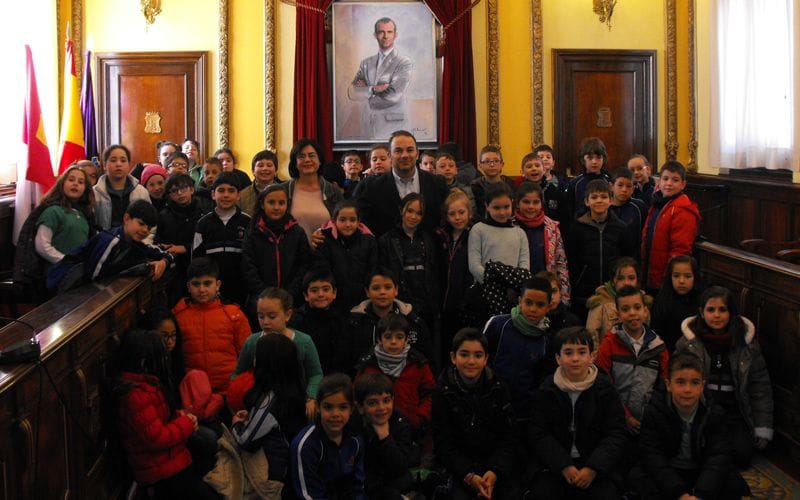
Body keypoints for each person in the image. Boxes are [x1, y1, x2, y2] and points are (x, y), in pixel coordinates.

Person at [527, 327, 630, 499]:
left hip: (597, 466)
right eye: (568, 353)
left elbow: (616, 433)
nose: (575, 358)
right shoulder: (546, 390)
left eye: (582, 352)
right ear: (558, 358)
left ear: (592, 356)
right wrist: (563, 465)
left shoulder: (605, 389)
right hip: (555, 466)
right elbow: (538, 433)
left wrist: (593, 468)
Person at [632, 351, 751, 499]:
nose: (687, 390)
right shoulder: (654, 411)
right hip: (670, 469)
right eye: (680, 382)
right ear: (668, 384)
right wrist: (679, 493)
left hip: (700, 470)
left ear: (702, 386)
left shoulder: (715, 413)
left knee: (732, 483)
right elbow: (653, 456)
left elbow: (718, 456)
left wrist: (701, 494)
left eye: (694, 383)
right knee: (639, 478)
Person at [115, 330, 218, 500]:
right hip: (158, 470)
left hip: (167, 459)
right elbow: (156, 438)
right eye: (161, 357)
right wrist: (186, 423)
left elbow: (159, 418)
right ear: (145, 361)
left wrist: (181, 415)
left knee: (211, 461)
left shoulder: (146, 385)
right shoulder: (135, 396)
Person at [676, 286, 773, 466]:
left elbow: (760, 387)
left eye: (722, 309)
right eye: (711, 310)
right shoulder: (688, 343)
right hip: (703, 410)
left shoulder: (747, 345)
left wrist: (762, 427)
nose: (717, 315)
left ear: (731, 312)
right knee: (699, 451)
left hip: (734, 412)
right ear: (701, 312)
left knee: (742, 455)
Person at [432, 328, 521, 500]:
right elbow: (443, 444)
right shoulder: (441, 393)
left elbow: (509, 437)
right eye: (464, 355)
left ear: (486, 359)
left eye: (478, 355)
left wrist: (495, 470)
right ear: (453, 357)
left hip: (493, 465)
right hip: (459, 468)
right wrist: (468, 474)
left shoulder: (499, 388)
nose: (471, 361)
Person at [232, 287, 323, 421]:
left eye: (272, 316)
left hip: (296, 405)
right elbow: (237, 375)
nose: (266, 322)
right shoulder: (252, 342)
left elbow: (315, 374)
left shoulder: (304, 341)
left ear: (287, 315)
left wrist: (311, 397)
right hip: (260, 409)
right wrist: (242, 399)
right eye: (261, 316)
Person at [227, 333, 307, 483]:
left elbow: (246, 441)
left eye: (257, 357)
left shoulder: (269, 402)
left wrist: (236, 422)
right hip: (291, 465)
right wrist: (253, 414)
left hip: (274, 475)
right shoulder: (295, 389)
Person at [46, 200, 171, 294]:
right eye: (141, 224)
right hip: (66, 284)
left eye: (149, 228)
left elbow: (163, 253)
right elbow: (93, 277)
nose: (145, 230)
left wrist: (164, 262)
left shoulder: (133, 241)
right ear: (126, 218)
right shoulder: (111, 240)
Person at [13, 166, 95, 301]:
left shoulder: (84, 214)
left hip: (78, 270)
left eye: (81, 182)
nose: (75, 184)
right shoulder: (53, 211)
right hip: (58, 272)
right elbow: (42, 245)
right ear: (62, 184)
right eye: (71, 180)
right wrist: (65, 261)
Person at [595, 285, 669, 435]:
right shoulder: (609, 344)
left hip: (649, 421)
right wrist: (625, 416)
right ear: (618, 314)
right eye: (626, 309)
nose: (632, 313)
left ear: (645, 310)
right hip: (615, 420)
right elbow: (603, 383)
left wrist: (651, 415)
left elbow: (664, 384)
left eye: (637, 307)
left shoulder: (658, 347)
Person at [172, 257, 251, 394]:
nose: (202, 289)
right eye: (196, 284)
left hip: (229, 389)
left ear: (218, 284)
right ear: (188, 287)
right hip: (193, 391)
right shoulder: (178, 316)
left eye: (207, 283)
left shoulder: (234, 315)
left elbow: (247, 356)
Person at [484, 277, 555, 421]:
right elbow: (481, 358)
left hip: (524, 413)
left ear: (548, 307)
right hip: (490, 406)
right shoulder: (498, 324)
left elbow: (540, 379)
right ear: (519, 301)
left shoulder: (546, 341)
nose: (533, 309)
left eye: (540, 305)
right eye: (528, 302)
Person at [354, 130, 448, 237]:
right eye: (398, 151)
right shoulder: (372, 188)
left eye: (410, 150)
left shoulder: (437, 184)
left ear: (417, 154)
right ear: (389, 155)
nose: (405, 155)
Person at [291, 373, 366, 500]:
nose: (335, 414)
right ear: (318, 407)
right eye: (328, 407)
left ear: (352, 409)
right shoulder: (305, 445)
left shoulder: (355, 440)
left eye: (343, 407)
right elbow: (308, 495)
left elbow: (357, 486)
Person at [355, 313, 435, 431]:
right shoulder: (368, 365)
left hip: (411, 429)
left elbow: (430, 394)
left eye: (399, 337)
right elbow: (357, 396)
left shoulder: (418, 364)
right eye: (388, 337)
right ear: (379, 339)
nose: (393, 342)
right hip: (374, 429)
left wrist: (419, 418)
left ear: (407, 339)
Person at [344, 267, 434, 372]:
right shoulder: (354, 323)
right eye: (376, 288)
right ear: (367, 292)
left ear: (396, 290)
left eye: (388, 287)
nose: (382, 292)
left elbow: (428, 361)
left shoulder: (413, 322)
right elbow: (344, 362)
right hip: (366, 382)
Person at [567, 179, 634, 317]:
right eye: (594, 197)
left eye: (604, 197)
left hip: (612, 291)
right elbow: (571, 259)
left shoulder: (621, 228)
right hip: (583, 291)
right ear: (587, 201)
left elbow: (627, 258)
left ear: (611, 200)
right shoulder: (576, 228)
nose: (599, 201)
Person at [241, 183, 312, 309]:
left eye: (281, 203)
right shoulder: (253, 232)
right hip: (260, 298)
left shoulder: (297, 232)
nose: (276, 207)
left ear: (287, 205)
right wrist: (263, 293)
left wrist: (290, 293)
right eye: (271, 202)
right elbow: (248, 265)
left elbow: (304, 264)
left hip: (292, 299)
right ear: (262, 204)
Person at [378, 192, 440, 331]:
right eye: (410, 211)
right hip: (399, 304)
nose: (413, 217)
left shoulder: (429, 239)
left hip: (426, 306)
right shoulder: (386, 240)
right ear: (401, 210)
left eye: (419, 213)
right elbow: (385, 272)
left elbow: (434, 273)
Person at [353, 373, 420, 500]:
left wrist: (385, 437)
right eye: (373, 403)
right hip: (364, 484)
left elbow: (400, 467)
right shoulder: (354, 425)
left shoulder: (400, 422)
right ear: (360, 407)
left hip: (395, 482)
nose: (382, 408)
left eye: (386, 400)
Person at [192, 171, 251, 308]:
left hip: (240, 287)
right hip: (210, 288)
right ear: (213, 194)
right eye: (221, 190)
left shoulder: (247, 222)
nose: (226, 195)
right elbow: (196, 257)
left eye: (231, 191)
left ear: (238, 195)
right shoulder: (203, 224)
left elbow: (252, 257)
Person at [348, 17, 413, 141]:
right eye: (381, 32)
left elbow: (393, 96)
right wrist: (373, 89)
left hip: (394, 129)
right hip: (368, 127)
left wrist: (365, 93)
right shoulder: (366, 63)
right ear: (375, 35)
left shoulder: (403, 63)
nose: (385, 36)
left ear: (395, 35)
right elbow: (352, 92)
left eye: (389, 32)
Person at [642, 160, 701, 291]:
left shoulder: (683, 210)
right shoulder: (658, 204)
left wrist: (669, 278)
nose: (669, 183)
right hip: (651, 272)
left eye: (675, 180)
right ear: (659, 182)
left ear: (683, 184)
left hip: (665, 278)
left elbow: (680, 250)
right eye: (665, 178)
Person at [314, 200, 378, 314]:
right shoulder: (324, 240)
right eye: (342, 220)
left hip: (362, 299)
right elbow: (322, 270)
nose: (348, 224)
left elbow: (372, 269)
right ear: (334, 220)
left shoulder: (369, 241)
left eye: (352, 220)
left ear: (359, 222)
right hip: (333, 300)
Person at [156, 173, 212, 303]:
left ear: (192, 189)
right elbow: (158, 240)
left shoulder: (204, 212)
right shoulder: (164, 215)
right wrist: (166, 248)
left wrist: (186, 248)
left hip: (199, 266)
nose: (180, 193)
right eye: (174, 191)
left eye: (183, 188)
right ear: (169, 195)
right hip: (173, 267)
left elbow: (209, 240)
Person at [435, 189, 474, 365]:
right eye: (452, 214)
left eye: (461, 212)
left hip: (466, 302)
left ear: (469, 212)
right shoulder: (439, 236)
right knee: (447, 345)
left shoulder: (475, 234)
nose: (457, 217)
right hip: (444, 302)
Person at [515, 181, 570, 304]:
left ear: (542, 203)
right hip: (518, 289)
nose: (531, 207)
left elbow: (561, 262)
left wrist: (564, 295)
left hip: (547, 287)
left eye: (536, 202)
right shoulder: (510, 226)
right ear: (518, 203)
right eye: (526, 202)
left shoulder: (552, 227)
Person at [287, 268, 349, 374]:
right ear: (306, 295)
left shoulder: (342, 319)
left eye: (325, 289)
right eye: (314, 290)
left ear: (334, 293)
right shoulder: (296, 321)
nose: (320, 294)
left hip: (335, 377)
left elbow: (343, 355)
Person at [468, 182, 530, 284]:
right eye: (496, 208)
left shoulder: (520, 233)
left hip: (512, 291)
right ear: (487, 206)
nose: (502, 212)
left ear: (512, 203)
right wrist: (493, 284)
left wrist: (513, 283)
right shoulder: (478, 230)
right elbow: (474, 264)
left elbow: (524, 265)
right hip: (485, 289)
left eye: (506, 207)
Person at [283, 138, 344, 243]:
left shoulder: (333, 191)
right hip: (291, 255)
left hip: (325, 255)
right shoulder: (283, 190)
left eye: (312, 155)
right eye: (301, 156)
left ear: (320, 161)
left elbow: (344, 225)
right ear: (294, 163)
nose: (307, 160)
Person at [585, 257, 652, 347]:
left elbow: (646, 331)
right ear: (613, 281)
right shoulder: (600, 303)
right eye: (620, 278)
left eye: (631, 278)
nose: (626, 283)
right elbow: (592, 334)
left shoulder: (643, 302)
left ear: (637, 281)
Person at [651, 255, 703, 351]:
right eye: (676, 276)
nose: (681, 281)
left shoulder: (701, 302)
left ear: (695, 277)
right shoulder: (662, 300)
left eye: (687, 276)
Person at [94, 144, 151, 230]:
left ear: (128, 165)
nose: (118, 164)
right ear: (105, 165)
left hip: (136, 241)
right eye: (113, 160)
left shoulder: (141, 192)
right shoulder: (95, 193)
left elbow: (150, 221)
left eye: (123, 160)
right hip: (105, 241)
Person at [564, 137, 612, 219]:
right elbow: (569, 210)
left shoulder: (609, 181)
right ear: (583, 159)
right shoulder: (574, 184)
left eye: (598, 157)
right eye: (590, 158)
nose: (594, 162)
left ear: (603, 159)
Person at [470, 145, 517, 220]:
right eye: (487, 161)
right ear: (480, 165)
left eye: (496, 161)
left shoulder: (510, 184)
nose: (492, 165)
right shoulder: (475, 186)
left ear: (502, 164)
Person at [609, 167, 647, 261]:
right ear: (611, 186)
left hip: (632, 260)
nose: (624, 190)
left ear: (633, 189)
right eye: (620, 185)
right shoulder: (605, 207)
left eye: (628, 186)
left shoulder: (639, 207)